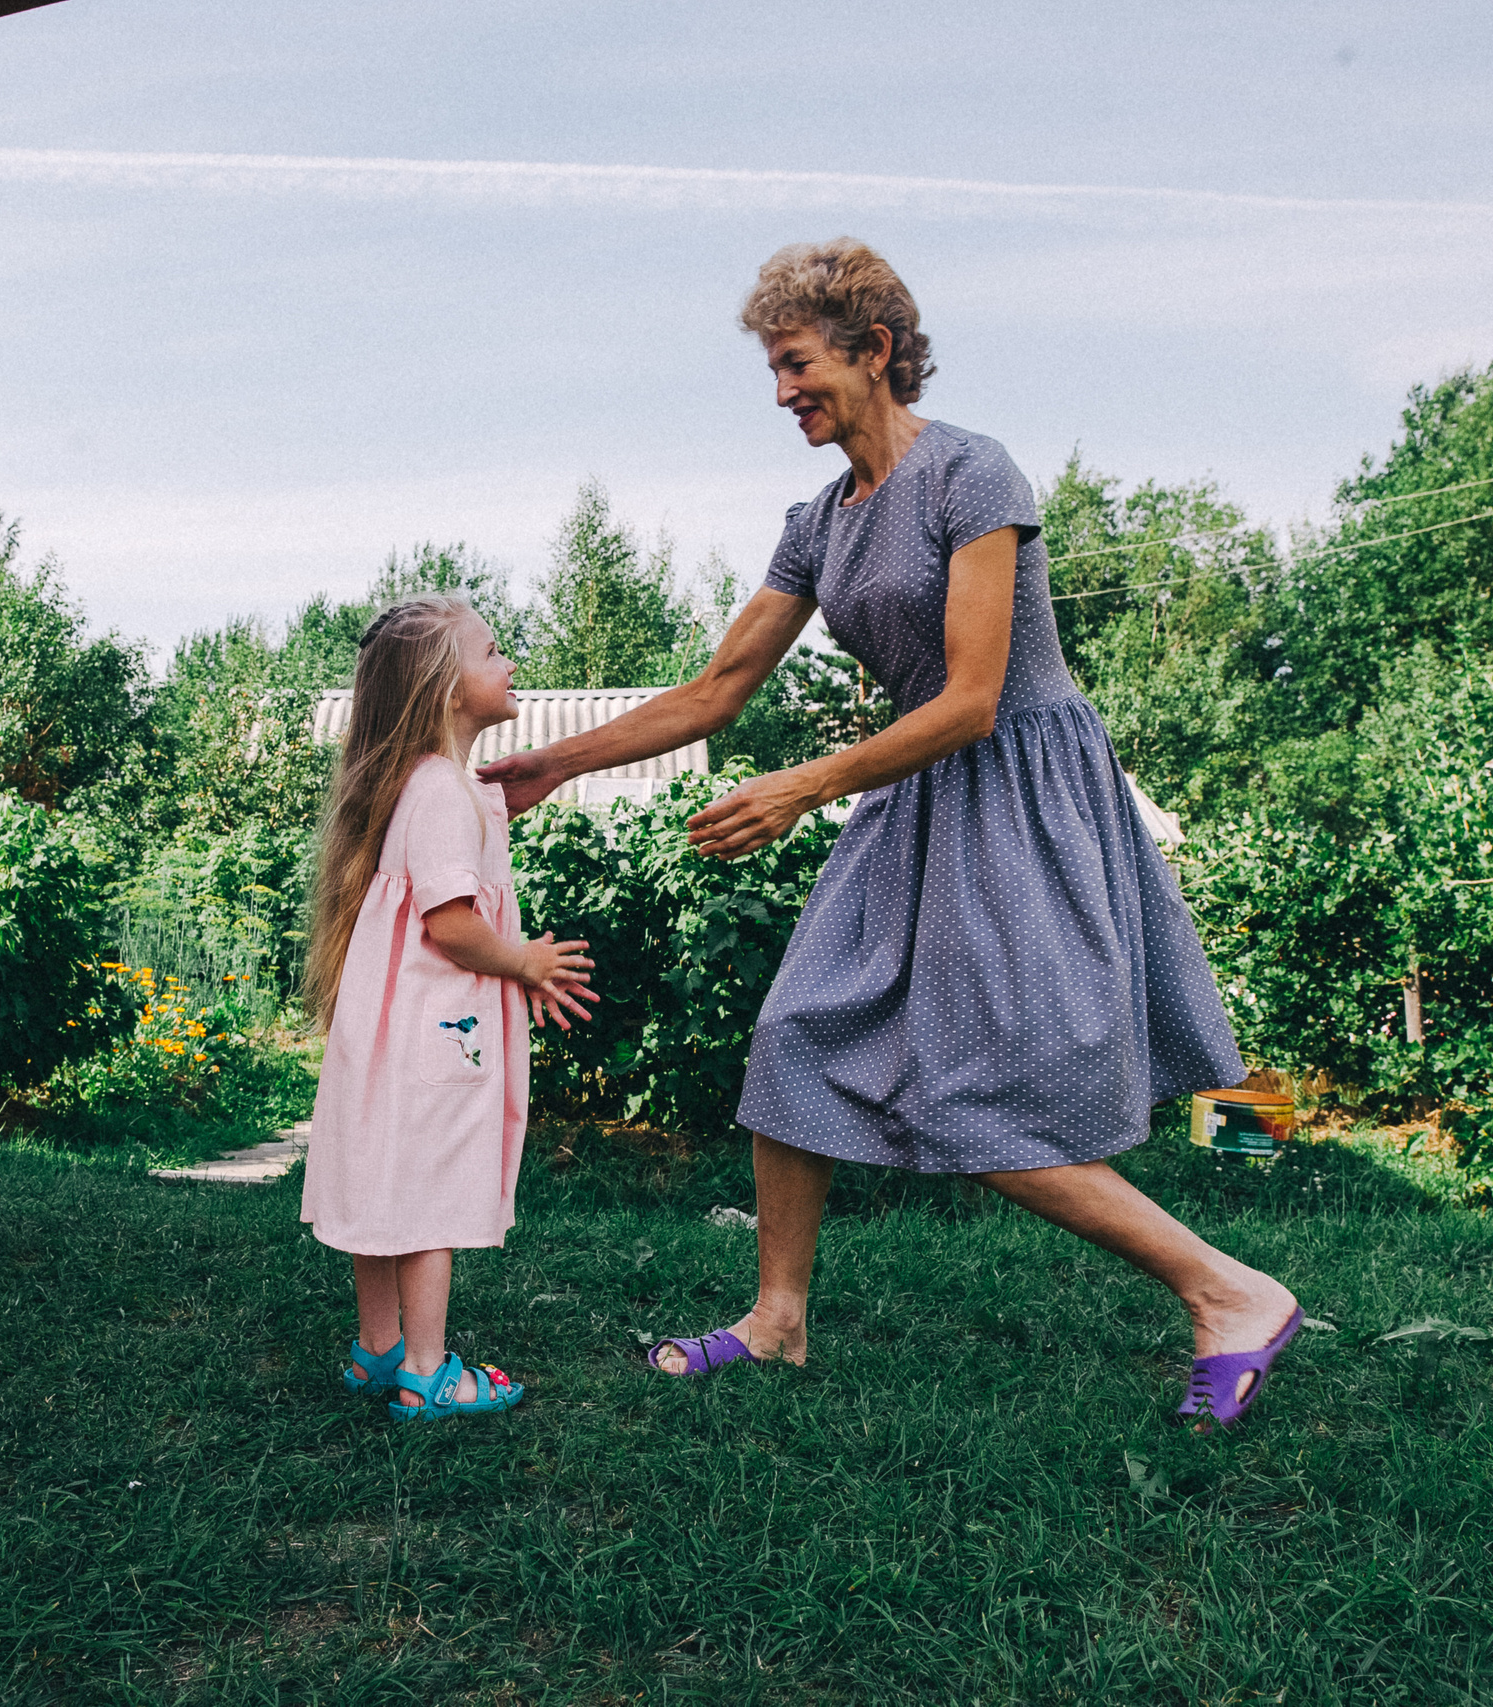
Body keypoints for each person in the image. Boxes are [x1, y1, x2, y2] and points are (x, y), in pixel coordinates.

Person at [478, 239, 1302, 1428]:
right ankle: (776, 1321)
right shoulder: (818, 522)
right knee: (796, 1036)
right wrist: (548, 765)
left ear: (873, 353)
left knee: (978, 1097)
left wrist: (803, 788)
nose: (781, 393)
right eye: (772, 369)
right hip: (909, 794)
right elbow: (716, 692)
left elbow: (972, 696)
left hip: (1014, 785)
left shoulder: (974, 475)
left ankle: (1228, 1291)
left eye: (799, 363)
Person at [300, 594, 601, 1422]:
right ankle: (429, 1374)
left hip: (399, 1033)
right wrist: (527, 961)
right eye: (494, 651)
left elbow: (489, 819)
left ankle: (378, 1350)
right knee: (427, 1194)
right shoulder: (437, 791)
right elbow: (452, 922)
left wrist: (562, 764)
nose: (511, 664)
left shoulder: (435, 786)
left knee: (383, 1184)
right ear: (447, 687)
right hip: (437, 1034)